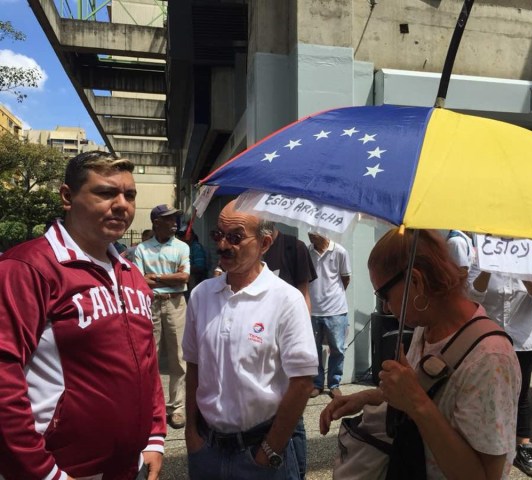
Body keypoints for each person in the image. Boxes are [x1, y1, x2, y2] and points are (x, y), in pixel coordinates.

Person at [0, 151, 166, 479]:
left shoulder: (130, 272)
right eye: (106, 193)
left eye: (130, 195)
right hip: (59, 471)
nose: (122, 205)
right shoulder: (26, 269)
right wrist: (42, 471)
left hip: (127, 467)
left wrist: (155, 436)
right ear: (67, 196)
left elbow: (147, 361)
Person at [320, 228, 520, 479]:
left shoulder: (490, 357)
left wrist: (417, 402)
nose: (384, 306)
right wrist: (368, 397)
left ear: (416, 281)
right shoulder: (426, 327)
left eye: (384, 294)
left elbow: (484, 475)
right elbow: (427, 395)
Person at [183, 200, 318, 479]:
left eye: (235, 237)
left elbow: (303, 381)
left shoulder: (286, 299)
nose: (222, 245)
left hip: (260, 455)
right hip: (206, 451)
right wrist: (191, 433)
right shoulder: (201, 295)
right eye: (218, 235)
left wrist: (270, 449)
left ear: (264, 243)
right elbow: (194, 367)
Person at [468, 268, 532, 478]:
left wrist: (520, 270)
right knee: (485, 393)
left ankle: (523, 445)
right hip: (488, 336)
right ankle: (482, 443)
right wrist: (487, 269)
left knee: (520, 393)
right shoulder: (480, 258)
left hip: (523, 339)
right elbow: (471, 296)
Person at [263, 226, 317, 479]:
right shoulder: (247, 246)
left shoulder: (293, 247)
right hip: (259, 341)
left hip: (288, 337)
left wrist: (302, 336)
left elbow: (304, 293)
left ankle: (298, 472)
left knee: (292, 410)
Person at [135, 204, 191, 429]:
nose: (174, 223)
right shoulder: (142, 249)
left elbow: (184, 277)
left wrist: (155, 276)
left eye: (175, 218)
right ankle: (153, 406)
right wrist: (171, 277)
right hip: (151, 304)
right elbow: (140, 281)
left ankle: (177, 408)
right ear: (156, 222)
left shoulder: (182, 247)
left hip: (176, 304)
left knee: (179, 357)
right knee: (151, 358)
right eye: (169, 219)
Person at [307, 232, 351, 399]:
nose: (310, 236)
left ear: (323, 232)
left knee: (337, 348)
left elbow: (345, 278)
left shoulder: (340, 251)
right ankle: (317, 383)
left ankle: (334, 384)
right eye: (309, 233)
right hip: (313, 309)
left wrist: (333, 295)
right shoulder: (307, 251)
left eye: (314, 233)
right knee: (313, 349)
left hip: (336, 309)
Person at [264, 226, 317, 311]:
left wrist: (305, 322)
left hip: (287, 318)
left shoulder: (295, 247)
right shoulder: (247, 250)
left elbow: (304, 295)